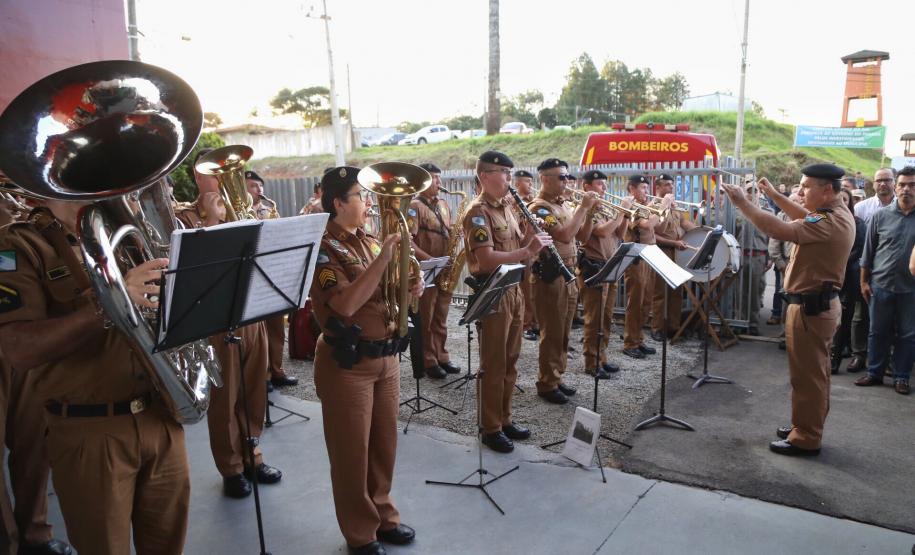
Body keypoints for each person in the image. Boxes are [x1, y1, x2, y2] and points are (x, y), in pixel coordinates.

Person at [0, 199, 190, 553]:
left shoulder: (128, 231)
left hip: (162, 418)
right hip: (90, 433)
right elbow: (19, 350)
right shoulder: (19, 245)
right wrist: (112, 302)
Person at [310, 166, 421, 554]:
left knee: (384, 446)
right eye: (361, 195)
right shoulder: (323, 247)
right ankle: (360, 533)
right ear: (339, 202)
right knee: (351, 454)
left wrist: (411, 283)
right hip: (348, 365)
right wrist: (384, 259)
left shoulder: (369, 239)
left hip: (385, 357)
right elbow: (345, 304)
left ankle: (384, 514)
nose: (369, 201)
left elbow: (387, 289)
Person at [722, 164, 854, 457]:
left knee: (809, 378)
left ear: (827, 190)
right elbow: (802, 215)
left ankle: (806, 436)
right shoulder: (830, 213)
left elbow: (776, 228)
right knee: (809, 375)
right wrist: (773, 197)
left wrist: (743, 203)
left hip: (811, 308)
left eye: (806, 186)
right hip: (813, 306)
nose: (801, 190)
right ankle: (804, 424)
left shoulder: (829, 220)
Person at [175, 150, 282, 499]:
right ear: (196, 177)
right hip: (216, 321)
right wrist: (209, 221)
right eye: (211, 173)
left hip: (251, 313)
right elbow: (188, 266)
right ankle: (231, 466)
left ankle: (253, 453)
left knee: (254, 391)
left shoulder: (247, 209)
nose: (220, 179)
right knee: (225, 398)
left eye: (225, 173)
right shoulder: (184, 217)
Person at [463, 151, 552, 450]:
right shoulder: (477, 213)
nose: (509, 179)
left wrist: (532, 238)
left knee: (511, 361)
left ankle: (504, 418)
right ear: (485, 176)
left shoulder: (509, 209)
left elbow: (519, 249)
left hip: (513, 291)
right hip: (493, 294)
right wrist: (527, 251)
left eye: (510, 173)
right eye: (504, 173)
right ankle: (489, 427)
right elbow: (486, 260)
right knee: (494, 364)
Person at [529, 158, 597, 404]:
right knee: (553, 331)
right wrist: (583, 208)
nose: (567, 182)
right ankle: (546, 382)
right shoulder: (539, 208)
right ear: (544, 179)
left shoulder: (564, 205)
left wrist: (589, 214)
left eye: (568, 177)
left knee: (565, 329)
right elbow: (564, 234)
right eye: (561, 177)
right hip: (551, 275)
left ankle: (557, 376)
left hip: (569, 272)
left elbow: (583, 236)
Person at [854, 166, 915, 395]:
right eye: (902, 184)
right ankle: (874, 373)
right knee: (877, 331)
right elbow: (867, 253)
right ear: (896, 187)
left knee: (908, 334)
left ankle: (901, 376)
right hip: (880, 285)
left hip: (911, 290)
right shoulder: (880, 216)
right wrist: (863, 282)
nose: (906, 189)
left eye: (912, 184)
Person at [245, 171, 299, 389]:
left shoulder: (269, 209)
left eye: (260, 186)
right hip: (251, 276)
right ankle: (263, 375)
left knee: (276, 326)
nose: (259, 190)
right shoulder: (239, 211)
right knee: (259, 330)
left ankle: (277, 370)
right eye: (252, 186)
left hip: (272, 273)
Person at [407, 163, 460, 379]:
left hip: (444, 268)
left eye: (439, 178)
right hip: (426, 270)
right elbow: (409, 242)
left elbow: (446, 230)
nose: (439, 183)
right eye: (434, 178)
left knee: (441, 316)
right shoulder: (413, 206)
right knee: (426, 318)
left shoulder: (444, 204)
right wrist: (431, 259)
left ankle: (442, 355)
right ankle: (429, 360)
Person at [575, 170, 625, 378]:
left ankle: (601, 357)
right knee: (594, 317)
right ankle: (591, 361)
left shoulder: (604, 207)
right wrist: (622, 212)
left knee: (606, 316)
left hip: (610, 264)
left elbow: (619, 234)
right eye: (599, 184)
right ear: (587, 187)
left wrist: (626, 217)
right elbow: (602, 231)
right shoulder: (582, 208)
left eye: (605, 184)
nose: (604, 189)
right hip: (593, 266)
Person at [848, 168, 897, 371]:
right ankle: (859, 354)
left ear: (894, 182)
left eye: (887, 180)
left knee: (890, 320)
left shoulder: (904, 207)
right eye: (879, 180)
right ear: (873, 184)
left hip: (891, 272)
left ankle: (885, 360)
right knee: (860, 317)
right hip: (864, 269)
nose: (883, 184)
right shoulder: (861, 208)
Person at [650, 174, 697, 341]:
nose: (671, 188)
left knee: (676, 291)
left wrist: (701, 231)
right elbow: (655, 233)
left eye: (672, 185)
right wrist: (665, 207)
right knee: (660, 292)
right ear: (659, 188)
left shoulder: (675, 206)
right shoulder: (653, 206)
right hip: (662, 251)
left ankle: (673, 327)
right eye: (668, 185)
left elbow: (684, 224)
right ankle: (657, 328)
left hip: (677, 253)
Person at [621, 175, 662, 359]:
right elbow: (646, 226)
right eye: (643, 188)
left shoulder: (646, 207)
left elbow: (658, 225)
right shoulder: (631, 208)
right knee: (635, 302)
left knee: (646, 301)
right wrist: (661, 206)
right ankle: (630, 342)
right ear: (632, 189)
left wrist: (661, 208)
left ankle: (639, 338)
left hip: (650, 256)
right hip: (636, 258)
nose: (647, 191)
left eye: (647, 187)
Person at [831, 189, 866, 373]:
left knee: (844, 320)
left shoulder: (858, 223)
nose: (841, 203)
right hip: (828, 278)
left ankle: (834, 361)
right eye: (838, 199)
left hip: (848, 279)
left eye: (845, 200)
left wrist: (838, 261)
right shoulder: (823, 219)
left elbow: (859, 249)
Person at [735, 182, 774, 335]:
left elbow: (773, 236)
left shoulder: (767, 213)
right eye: (749, 191)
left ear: (759, 193)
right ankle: (740, 321)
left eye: (755, 191)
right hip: (740, 255)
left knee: (755, 292)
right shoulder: (737, 212)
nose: (752, 194)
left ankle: (753, 323)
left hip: (758, 256)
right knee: (739, 291)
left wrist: (770, 258)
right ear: (744, 193)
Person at [512, 170, 539, 341]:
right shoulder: (513, 204)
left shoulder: (532, 202)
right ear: (517, 184)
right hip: (522, 249)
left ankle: (535, 322)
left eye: (531, 181)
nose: (531, 185)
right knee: (526, 291)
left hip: (535, 251)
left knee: (535, 291)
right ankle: (526, 324)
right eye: (527, 182)